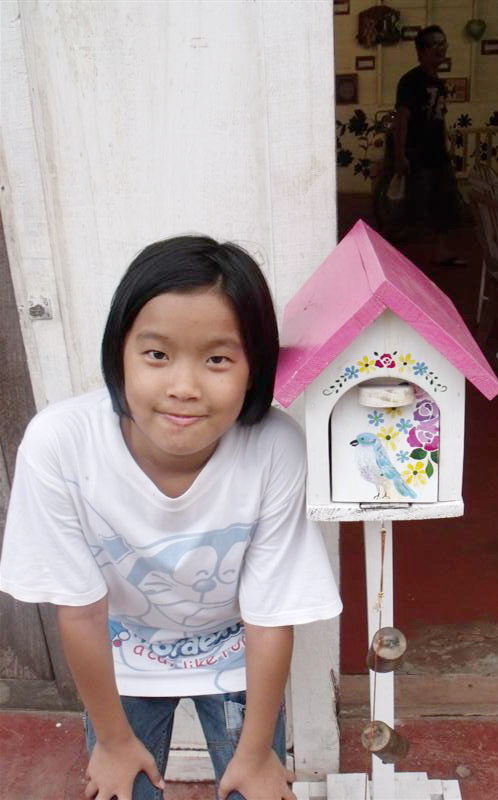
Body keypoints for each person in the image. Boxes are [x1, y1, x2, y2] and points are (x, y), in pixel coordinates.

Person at [0, 236, 342, 800]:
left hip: (235, 653)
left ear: (254, 368)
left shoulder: (275, 447)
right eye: (157, 355)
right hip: (119, 654)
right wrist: (113, 743)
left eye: (217, 359)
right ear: (119, 354)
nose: (183, 389)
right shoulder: (59, 444)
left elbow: (270, 615)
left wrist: (255, 753)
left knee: (255, 787)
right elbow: (80, 612)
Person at [393, 25, 466, 265]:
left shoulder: (440, 84)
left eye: (443, 43)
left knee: (445, 203)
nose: (440, 48)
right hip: (417, 155)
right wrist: (400, 154)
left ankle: (440, 252)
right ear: (421, 51)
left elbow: (438, 119)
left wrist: (446, 147)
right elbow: (402, 119)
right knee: (418, 208)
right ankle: (410, 261)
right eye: (434, 44)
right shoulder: (410, 81)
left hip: (438, 154)